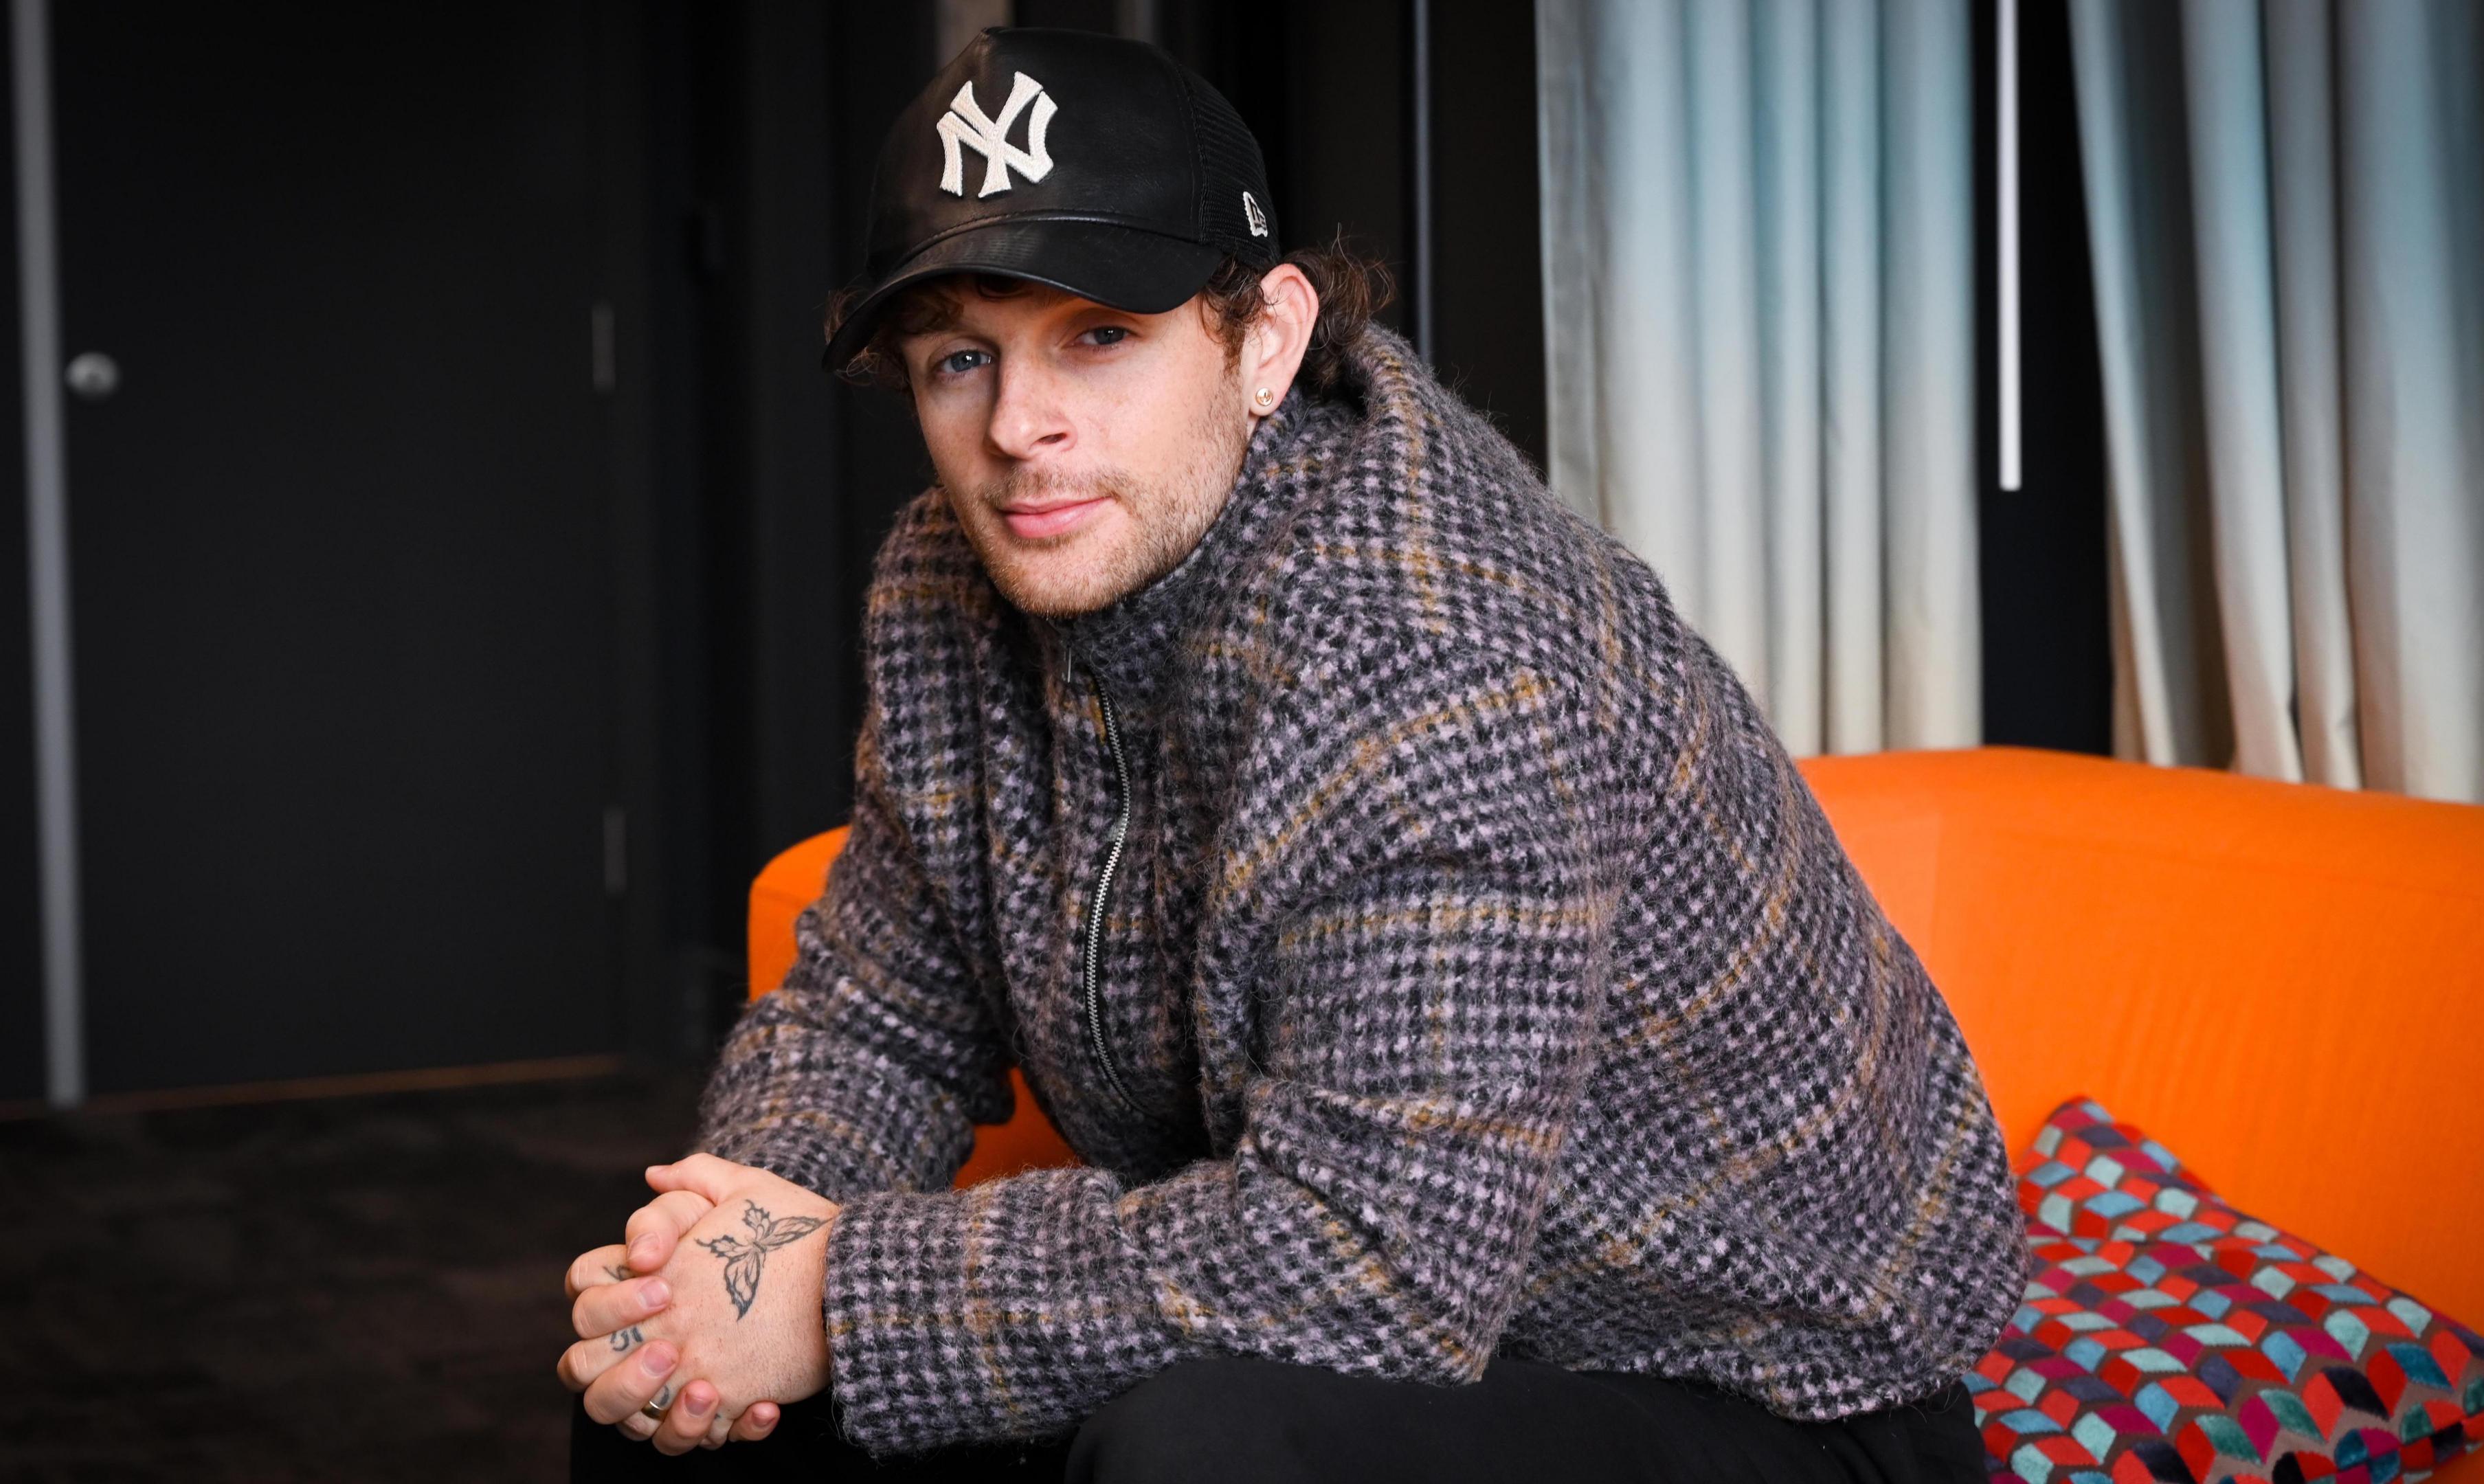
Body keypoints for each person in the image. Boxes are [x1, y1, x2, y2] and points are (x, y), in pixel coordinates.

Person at [557, 25, 2025, 1482]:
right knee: (674, 1412)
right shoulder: (954, 585)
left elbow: (1370, 1256)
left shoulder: (1438, 654)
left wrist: (837, 1294)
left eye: (1101, 335)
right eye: (960, 358)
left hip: (1762, 1382)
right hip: (1360, 1307)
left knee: (1198, 1456)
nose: (1020, 428)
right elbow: (878, 1017)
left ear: (1261, 339)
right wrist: (726, 1261)